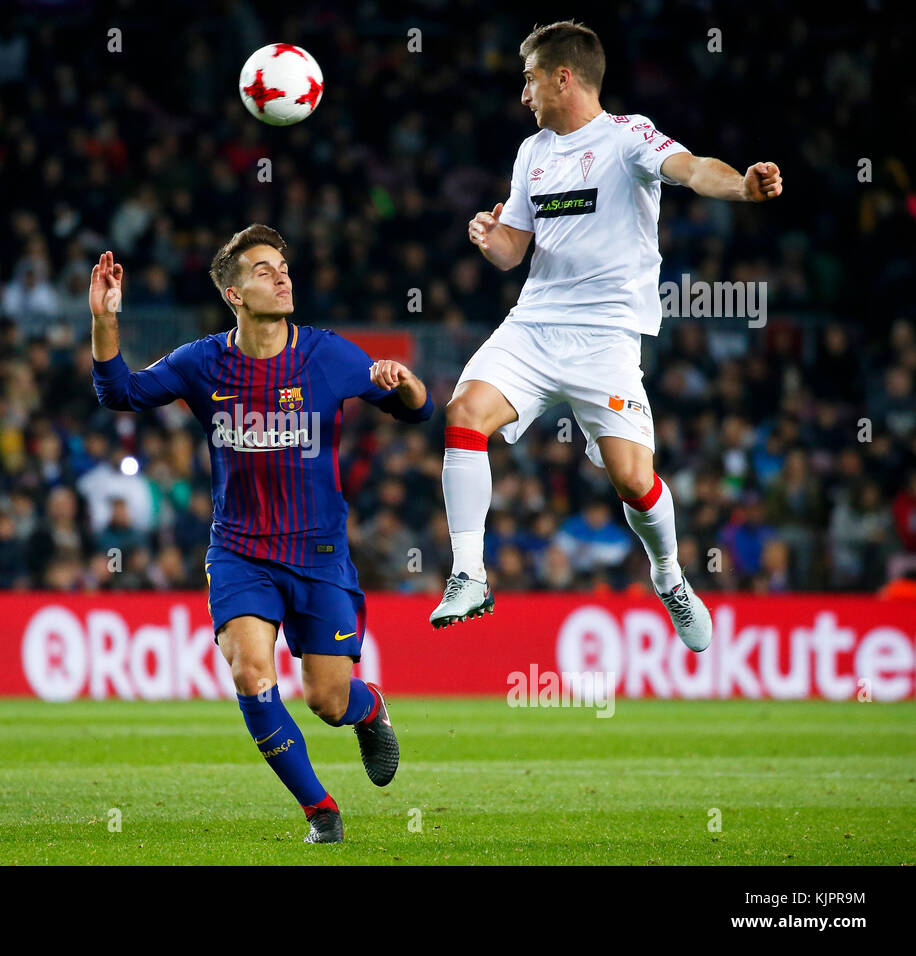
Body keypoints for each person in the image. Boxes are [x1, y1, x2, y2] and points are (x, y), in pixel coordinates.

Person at [431, 20, 783, 652]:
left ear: (563, 77)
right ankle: (469, 574)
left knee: (631, 479)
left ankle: (671, 578)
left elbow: (693, 167)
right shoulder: (531, 152)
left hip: (606, 339)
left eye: (530, 79)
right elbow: (515, 251)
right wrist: (492, 239)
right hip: (534, 326)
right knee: (463, 414)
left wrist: (742, 187)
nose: (524, 94)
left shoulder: (628, 138)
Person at [91, 225, 434, 842]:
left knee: (328, 701)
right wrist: (105, 320)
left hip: (319, 552)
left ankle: (370, 707)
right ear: (234, 294)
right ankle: (320, 811)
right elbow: (119, 393)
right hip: (240, 552)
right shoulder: (202, 362)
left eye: (283, 266)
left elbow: (417, 410)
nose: (281, 277)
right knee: (252, 673)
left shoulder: (328, 354)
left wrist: (405, 383)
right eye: (263, 270)